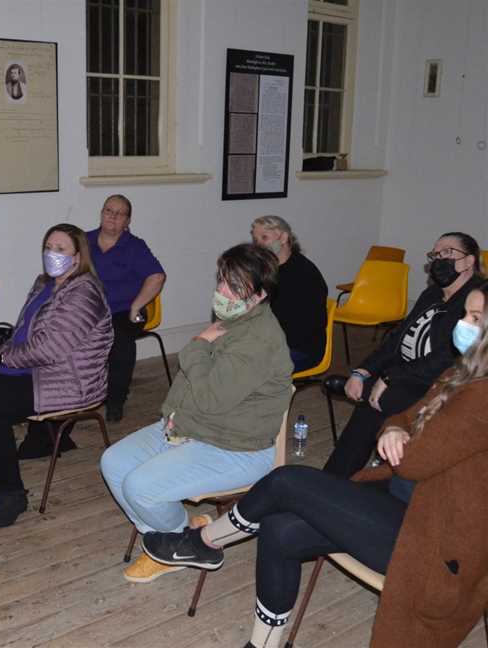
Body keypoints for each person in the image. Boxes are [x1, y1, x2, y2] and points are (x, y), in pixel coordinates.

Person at [140, 281, 488, 648]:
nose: (461, 323)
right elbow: (403, 415)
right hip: (406, 503)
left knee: (288, 480)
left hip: (435, 542)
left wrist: (401, 434)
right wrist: (398, 430)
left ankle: (202, 541)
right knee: (279, 528)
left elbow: (415, 461)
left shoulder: (480, 397)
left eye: (475, 318)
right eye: (466, 313)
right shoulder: (462, 374)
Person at [100, 243, 293, 583]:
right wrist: (173, 419)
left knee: (141, 487)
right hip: (192, 427)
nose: (222, 291)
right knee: (113, 463)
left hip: (236, 446)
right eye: (222, 280)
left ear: (260, 296)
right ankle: (174, 538)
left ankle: (176, 544)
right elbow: (197, 390)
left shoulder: (258, 340)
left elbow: (208, 397)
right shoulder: (236, 317)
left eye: (235, 286)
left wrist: (196, 346)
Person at [0, 224, 113, 528]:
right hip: (33, 368)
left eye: (61, 249)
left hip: (68, 380)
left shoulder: (84, 292)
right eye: (48, 247)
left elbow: (51, 349)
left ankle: (13, 494)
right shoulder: (44, 284)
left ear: (77, 258)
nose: (52, 254)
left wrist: (0, 357)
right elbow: (23, 333)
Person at [324, 232, 482, 477]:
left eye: (447, 253)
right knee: (372, 396)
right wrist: (363, 370)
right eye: (435, 254)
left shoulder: (476, 301)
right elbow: (396, 339)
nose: (439, 259)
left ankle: (337, 478)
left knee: (378, 402)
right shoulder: (431, 294)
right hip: (405, 374)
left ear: (469, 261)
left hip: (436, 383)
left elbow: (445, 359)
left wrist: (389, 378)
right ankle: (339, 477)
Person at [88, 194, 166, 422]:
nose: (112, 216)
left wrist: (136, 306)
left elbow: (157, 277)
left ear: (127, 221)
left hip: (126, 311)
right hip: (91, 310)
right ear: (101, 213)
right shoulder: (84, 240)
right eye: (108, 211)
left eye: (119, 213)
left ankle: (115, 400)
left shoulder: (135, 247)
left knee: (120, 339)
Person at [251, 215, 328, 372]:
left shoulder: (304, 274)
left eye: (264, 237)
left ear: (284, 237)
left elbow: (304, 327)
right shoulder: (267, 270)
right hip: (274, 342)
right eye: (256, 239)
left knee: (244, 368)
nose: (258, 245)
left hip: (301, 349)